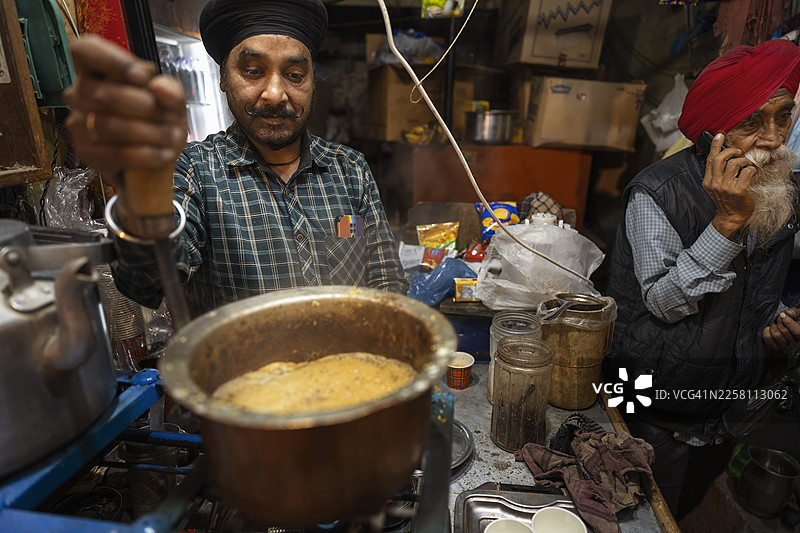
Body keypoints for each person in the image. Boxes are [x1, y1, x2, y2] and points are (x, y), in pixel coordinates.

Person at [63, 0, 407, 318]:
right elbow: (147, 284)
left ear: (312, 82)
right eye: (254, 71)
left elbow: (386, 279)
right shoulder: (195, 170)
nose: (275, 94)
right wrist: (141, 197)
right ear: (223, 79)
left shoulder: (350, 169)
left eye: (295, 75)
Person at [603, 38, 800, 521]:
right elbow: (664, 302)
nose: (774, 138)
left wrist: (775, 323)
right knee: (643, 515)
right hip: (654, 409)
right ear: (714, 133)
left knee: (686, 508)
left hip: (724, 407)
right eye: (752, 122)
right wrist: (726, 224)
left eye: (783, 117)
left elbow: (753, 288)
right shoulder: (658, 192)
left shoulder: (780, 189)